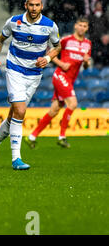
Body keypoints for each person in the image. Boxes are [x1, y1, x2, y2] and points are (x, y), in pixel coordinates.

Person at [0, 0, 62, 170]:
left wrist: (48, 59)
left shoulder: (50, 26)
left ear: (42, 6)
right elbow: (0, 40)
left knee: (14, 115)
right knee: (20, 110)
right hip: (14, 69)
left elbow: (57, 46)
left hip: (34, 74)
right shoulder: (14, 21)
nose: (34, 8)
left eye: (38, 5)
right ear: (25, 5)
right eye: (31, 5)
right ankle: (16, 159)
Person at [25, 18, 92, 149]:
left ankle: (32, 136)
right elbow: (50, 53)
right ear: (75, 26)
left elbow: (86, 66)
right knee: (73, 104)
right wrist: (61, 64)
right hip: (60, 75)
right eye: (80, 25)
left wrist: (86, 62)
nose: (82, 28)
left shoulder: (88, 44)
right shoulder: (66, 40)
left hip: (70, 80)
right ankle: (62, 137)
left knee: (54, 110)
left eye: (84, 26)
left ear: (87, 28)